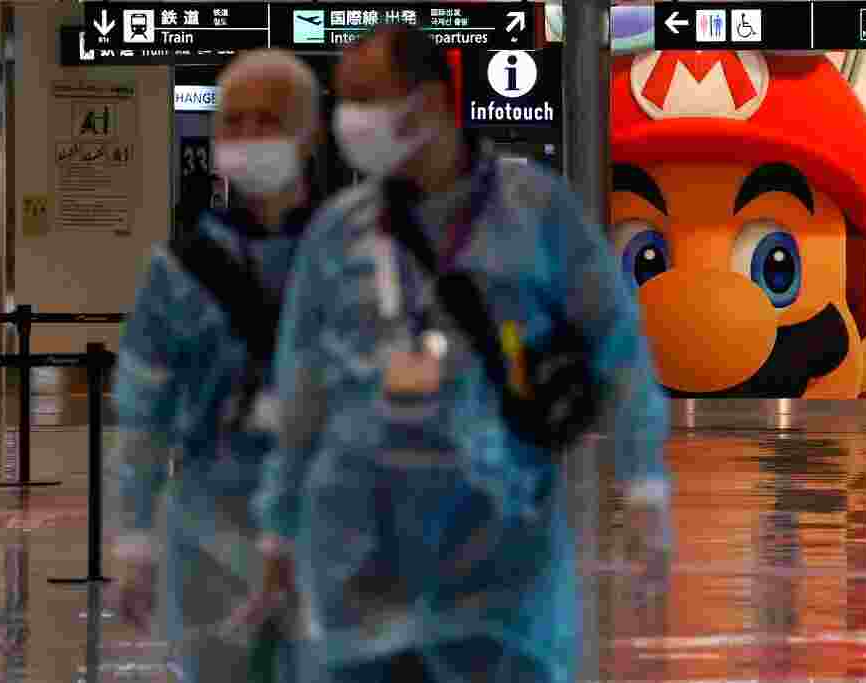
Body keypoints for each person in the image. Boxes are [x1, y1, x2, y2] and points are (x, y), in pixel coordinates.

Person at [250, 25, 672, 683]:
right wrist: (277, 529)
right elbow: (299, 388)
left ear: (430, 103)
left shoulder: (535, 213)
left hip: (500, 560)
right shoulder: (338, 235)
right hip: (360, 559)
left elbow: (617, 343)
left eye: (368, 98)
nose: (349, 120)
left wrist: (642, 483)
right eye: (343, 101)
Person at [108, 49, 323, 683]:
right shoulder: (179, 270)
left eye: (270, 120)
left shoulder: (349, 256)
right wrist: (134, 536)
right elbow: (142, 409)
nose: (251, 136)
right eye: (235, 122)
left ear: (307, 135)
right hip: (210, 533)